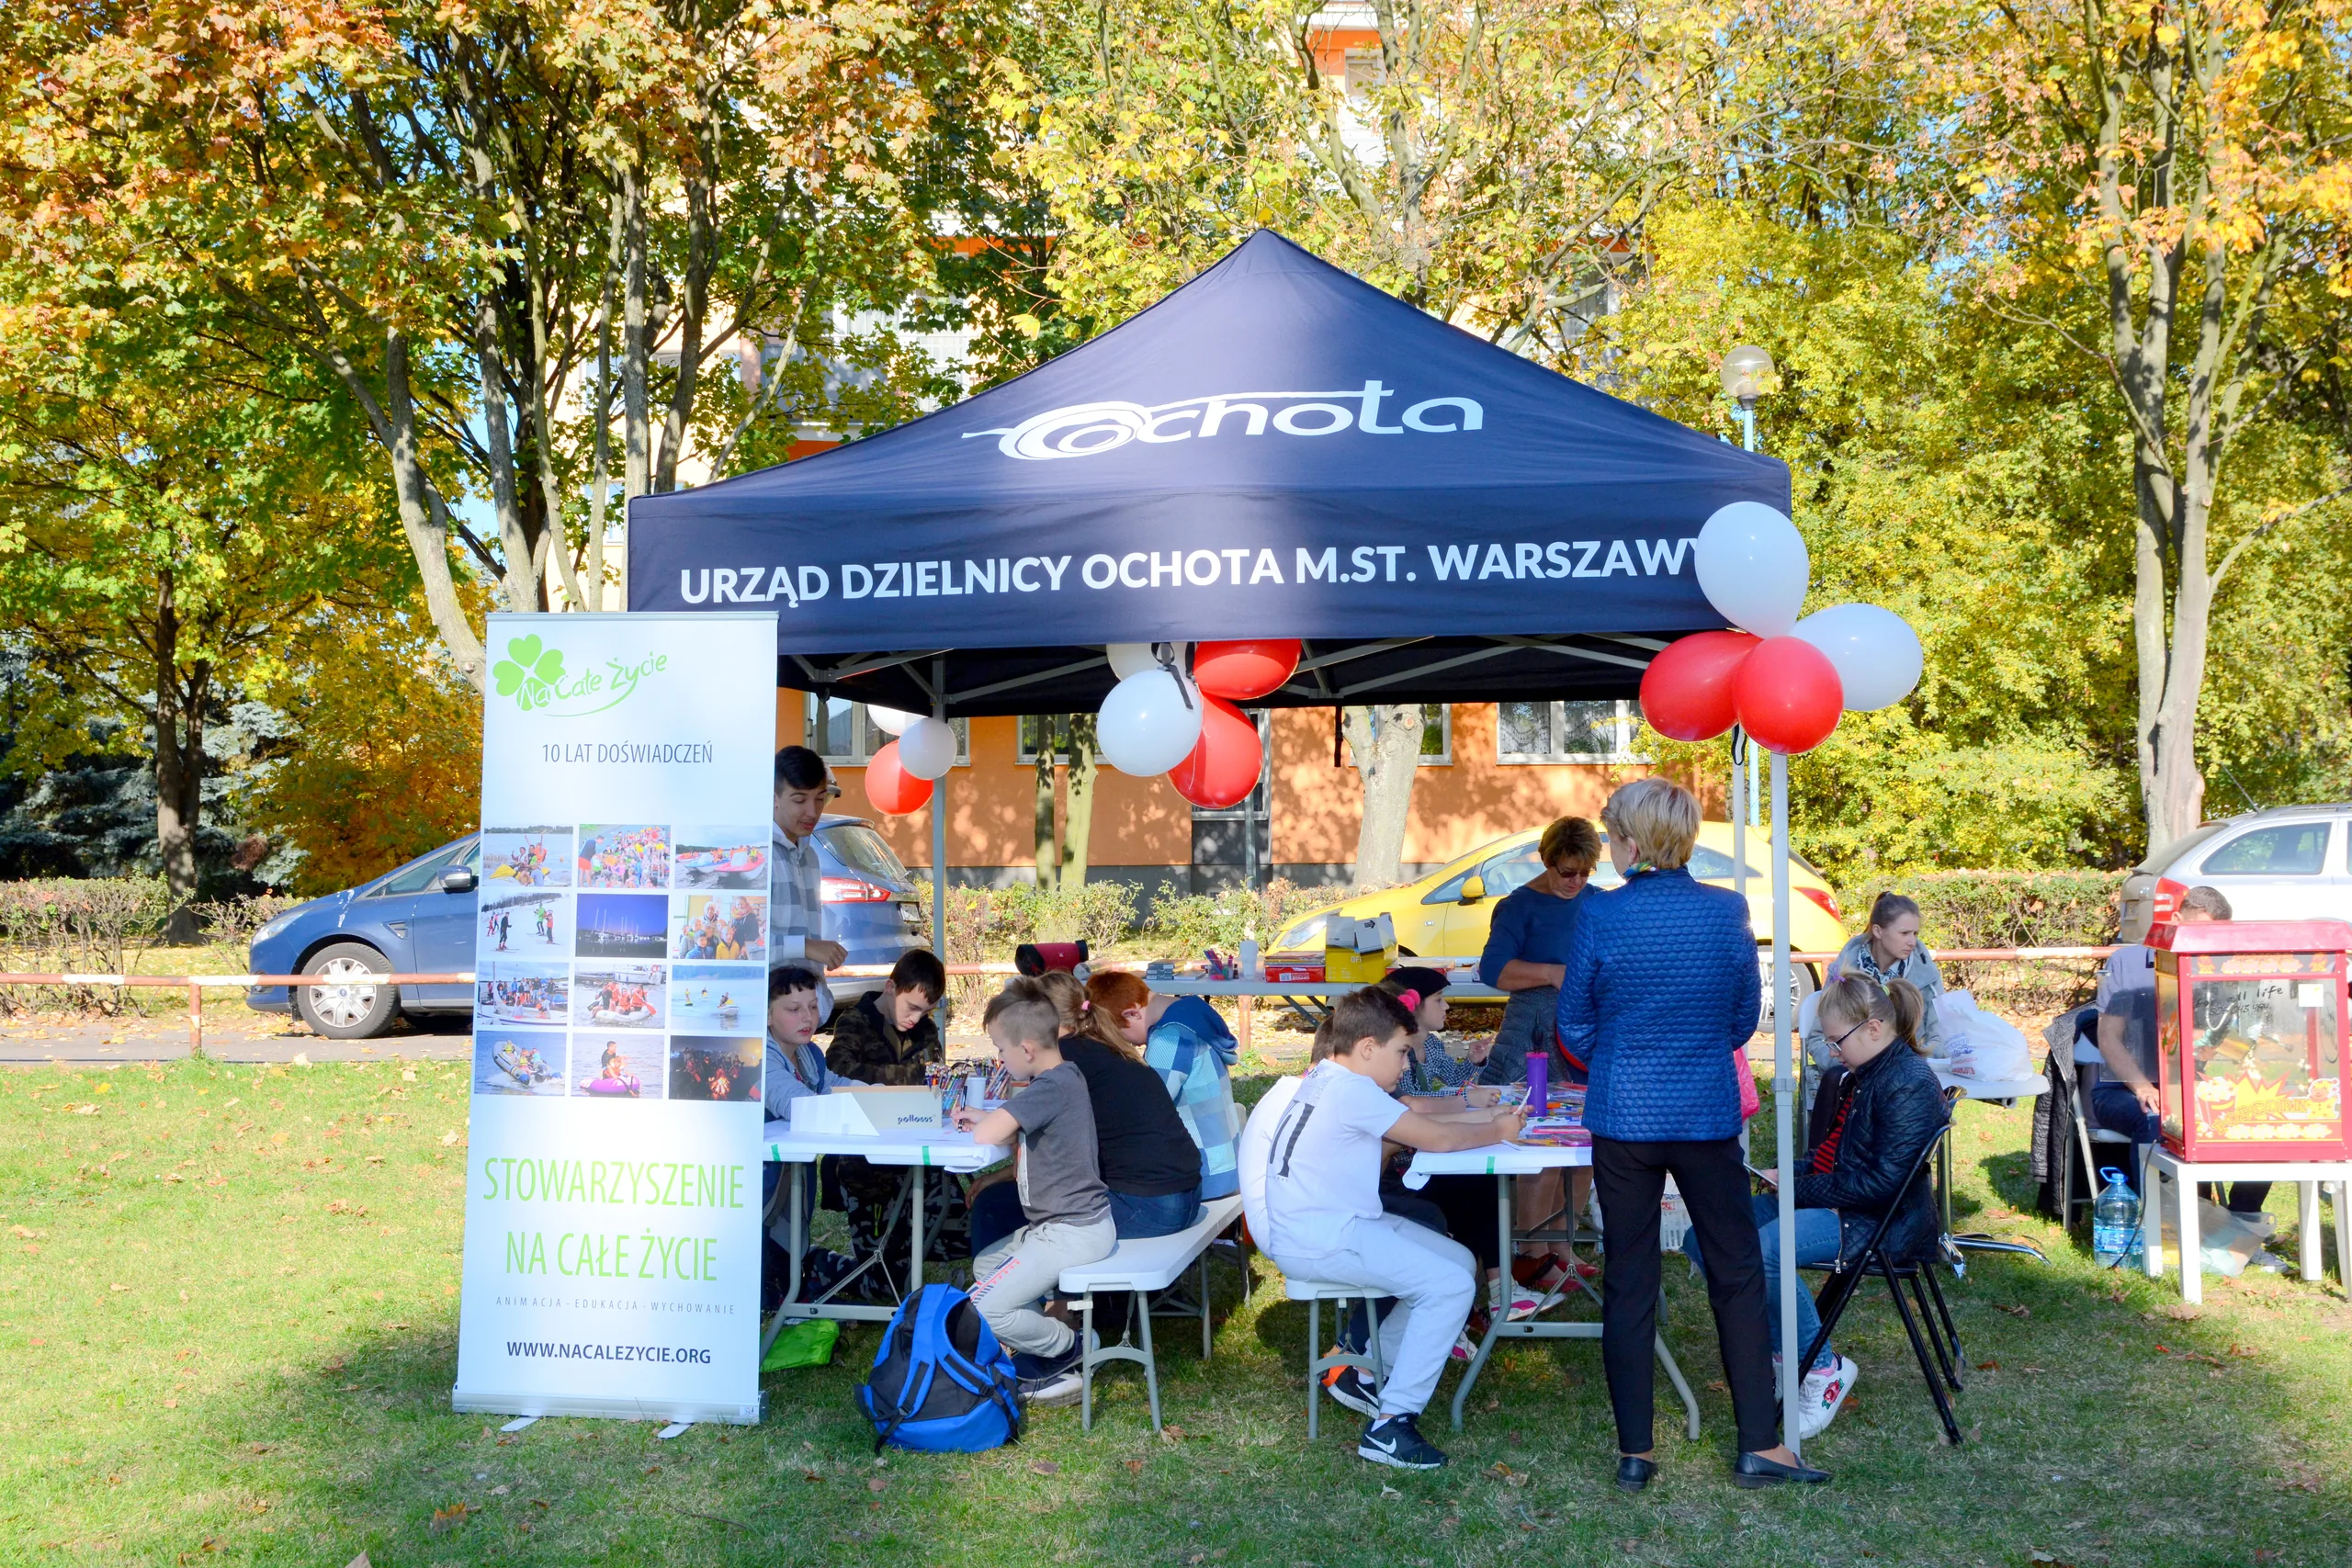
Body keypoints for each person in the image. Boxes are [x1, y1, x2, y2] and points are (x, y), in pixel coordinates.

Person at [1559, 776, 1826, 1492]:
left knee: (1630, 1275)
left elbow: (1574, 1023)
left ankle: (1636, 1454)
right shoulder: (1726, 908)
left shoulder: (1599, 912)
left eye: (1613, 835)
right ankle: (1759, 1444)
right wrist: (1687, 1051)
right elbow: (1743, 1016)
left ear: (1633, 841)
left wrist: (1624, 1057)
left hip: (1624, 1114)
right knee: (1736, 1270)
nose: (1610, 846)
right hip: (1706, 1111)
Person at [1261, 988, 1529, 1472]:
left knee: (1458, 1261)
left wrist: (1486, 1117)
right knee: (1449, 1285)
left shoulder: (1329, 1077)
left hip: (1323, 1225)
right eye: (1402, 1052)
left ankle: (1367, 1370)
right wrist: (1498, 1130)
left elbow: (1417, 1121)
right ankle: (1391, 1425)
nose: (1406, 1065)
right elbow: (1437, 1137)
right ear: (1368, 1047)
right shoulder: (1353, 1090)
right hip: (1323, 1238)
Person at [1683, 974, 1946, 1442]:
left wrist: (1798, 1189)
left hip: (1878, 1221)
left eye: (1836, 1040)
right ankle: (1781, 1353)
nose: (1832, 1051)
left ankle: (1822, 1369)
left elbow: (1882, 1185)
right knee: (1703, 1237)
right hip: (1846, 1202)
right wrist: (1790, 1173)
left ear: (1873, 1028)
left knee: (1766, 1252)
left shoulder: (1907, 1082)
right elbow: (1835, 1155)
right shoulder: (1865, 1075)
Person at [953, 979, 1118, 1407]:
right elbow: (1013, 1125)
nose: (999, 1058)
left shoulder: (1049, 1087)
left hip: (1070, 1233)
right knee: (986, 1265)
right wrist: (987, 1115)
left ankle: (1068, 1347)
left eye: (1001, 1049)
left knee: (985, 1307)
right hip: (1067, 1227)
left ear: (1026, 1050)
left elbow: (988, 1134)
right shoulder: (1065, 1076)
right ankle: (1043, 1345)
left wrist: (985, 1120)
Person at [2089, 885, 2273, 1224]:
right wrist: (2143, 1088)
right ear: (2175, 919)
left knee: (2262, 1115)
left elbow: (2237, 1039)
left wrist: (2228, 1056)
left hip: (2194, 1086)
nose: (2208, 944)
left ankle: (2241, 1220)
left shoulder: (2224, 966)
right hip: (2124, 1089)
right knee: (2157, 1118)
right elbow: (2109, 1038)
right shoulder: (2128, 962)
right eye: (2200, 931)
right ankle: (2158, 1227)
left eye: (2217, 937)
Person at [1089, 971, 1246, 1204]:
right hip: (1226, 1165)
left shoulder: (1168, 1039)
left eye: (1121, 1035)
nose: (1129, 1044)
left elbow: (1145, 1110)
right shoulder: (1192, 1013)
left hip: (1203, 1175)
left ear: (1132, 1013)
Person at [1477, 816, 1603, 1086]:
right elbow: (1492, 969)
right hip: (1532, 1028)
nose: (1577, 881)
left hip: (1586, 1030)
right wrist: (1552, 973)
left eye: (1585, 872)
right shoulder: (1518, 907)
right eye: (1568, 872)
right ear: (1547, 861)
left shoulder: (1598, 901)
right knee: (1524, 1099)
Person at [1804, 893, 1949, 1066]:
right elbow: (1818, 1037)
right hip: (1852, 1072)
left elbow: (1941, 1036)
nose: (1912, 941)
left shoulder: (1927, 974)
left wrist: (1912, 1066)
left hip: (1909, 1071)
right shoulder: (1843, 973)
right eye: (1904, 933)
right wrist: (1848, 1066)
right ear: (1878, 931)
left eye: (1915, 933)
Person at [770, 746, 847, 1021]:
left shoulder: (810, 857)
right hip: (761, 1022)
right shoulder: (757, 855)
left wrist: (819, 1005)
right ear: (774, 797)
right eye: (800, 800)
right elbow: (742, 948)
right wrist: (806, 946)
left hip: (796, 1021)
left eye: (820, 799)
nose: (812, 811)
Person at [825, 950, 949, 1087]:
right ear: (890, 987)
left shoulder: (926, 1029)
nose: (916, 1019)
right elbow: (836, 1071)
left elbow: (937, 1077)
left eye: (926, 1011)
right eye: (912, 1007)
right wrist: (912, 1076)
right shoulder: (855, 1022)